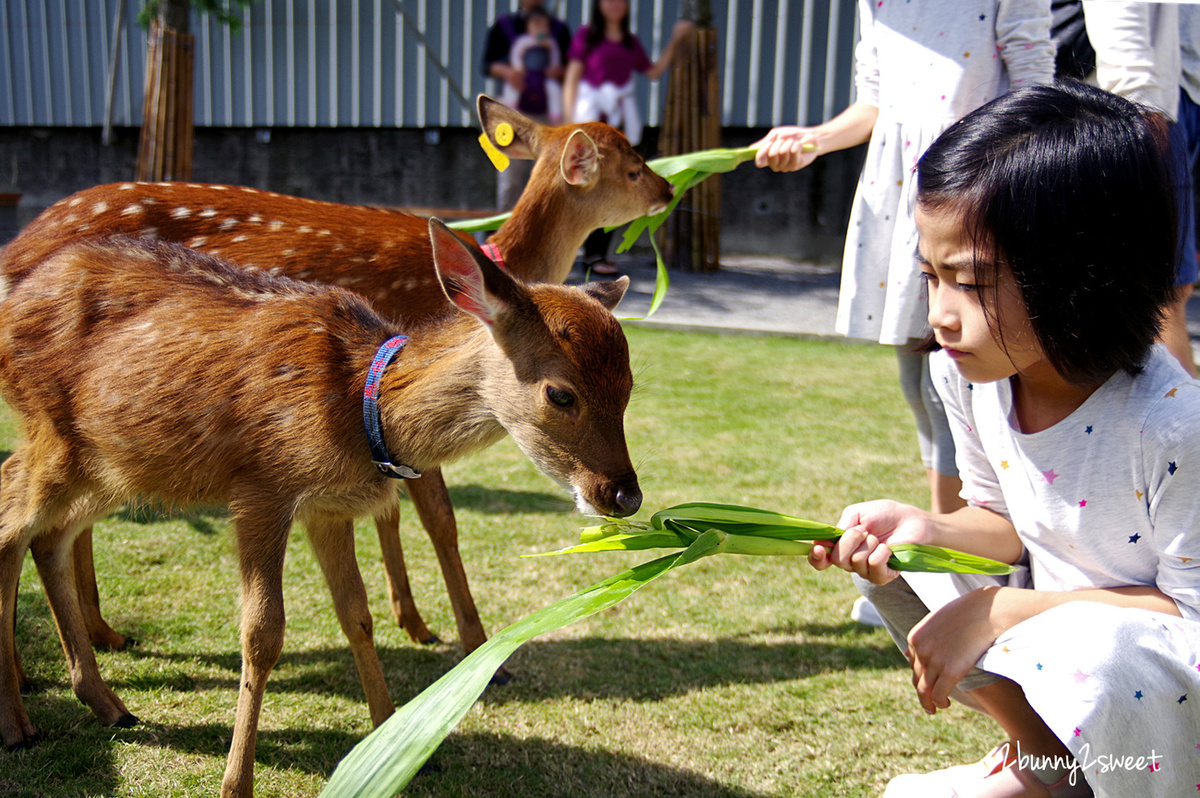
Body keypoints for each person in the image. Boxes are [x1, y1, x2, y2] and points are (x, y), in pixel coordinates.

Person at [811, 81, 1200, 798]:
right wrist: (923, 525)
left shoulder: (1174, 425)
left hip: (1162, 691)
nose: (941, 315)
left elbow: (1191, 619)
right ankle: (1044, 762)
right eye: (931, 277)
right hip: (1060, 662)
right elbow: (1007, 526)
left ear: (1082, 273)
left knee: (1107, 646)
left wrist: (1003, 610)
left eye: (969, 281)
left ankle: (1081, 775)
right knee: (912, 565)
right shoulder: (970, 379)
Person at [754, 1, 1055, 517]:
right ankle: (960, 541)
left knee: (954, 379)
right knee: (918, 379)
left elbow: (1037, 97)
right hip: (899, 196)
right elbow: (874, 103)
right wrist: (813, 141)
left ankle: (968, 545)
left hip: (971, 191)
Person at [1079, 1, 1197, 378]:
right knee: (1163, 296)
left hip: (1166, 106)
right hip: (1143, 117)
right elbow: (1123, 43)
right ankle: (1186, 428)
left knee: (1166, 293)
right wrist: (1144, 117)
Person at [562, 0, 692, 276]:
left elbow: (654, 72)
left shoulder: (629, 42)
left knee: (613, 193)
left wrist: (676, 39)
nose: (615, 4)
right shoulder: (586, 36)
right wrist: (567, 125)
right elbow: (572, 78)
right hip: (589, 132)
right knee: (579, 193)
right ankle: (573, 252)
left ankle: (596, 255)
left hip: (618, 136)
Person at [481, 0, 572, 212]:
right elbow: (487, 65)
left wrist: (559, 71)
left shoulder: (559, 30)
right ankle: (505, 232)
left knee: (552, 178)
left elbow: (572, 68)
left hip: (550, 114)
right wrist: (508, 72)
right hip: (513, 113)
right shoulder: (503, 26)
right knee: (511, 182)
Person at [500, 7, 564, 123]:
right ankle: (510, 105)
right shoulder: (524, 41)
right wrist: (518, 67)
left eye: (543, 27)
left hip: (544, 76)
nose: (539, 30)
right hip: (526, 74)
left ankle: (556, 113)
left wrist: (553, 67)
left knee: (554, 89)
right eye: (536, 26)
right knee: (511, 86)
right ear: (528, 28)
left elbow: (555, 56)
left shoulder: (550, 42)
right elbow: (516, 54)